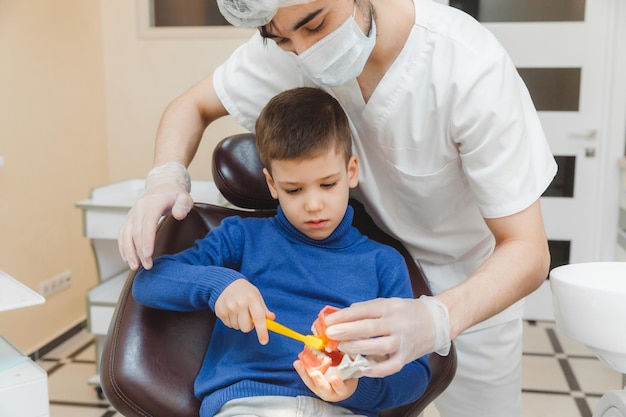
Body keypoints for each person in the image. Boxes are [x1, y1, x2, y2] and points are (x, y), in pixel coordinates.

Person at [119, 1, 557, 415]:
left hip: (471, 278)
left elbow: (528, 249)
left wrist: (437, 317)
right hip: (348, 260)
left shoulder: (467, 67)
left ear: (348, 172)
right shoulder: (288, 31)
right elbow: (190, 107)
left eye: (315, 24)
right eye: (285, 40)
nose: (306, 54)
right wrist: (164, 179)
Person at [131, 87, 432, 417]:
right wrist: (218, 286)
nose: (314, 204)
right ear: (273, 185)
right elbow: (149, 282)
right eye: (294, 189)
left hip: (344, 409)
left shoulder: (383, 264)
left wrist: (357, 388)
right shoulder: (242, 238)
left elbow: (416, 374)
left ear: (351, 171)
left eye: (328, 184)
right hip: (248, 406)